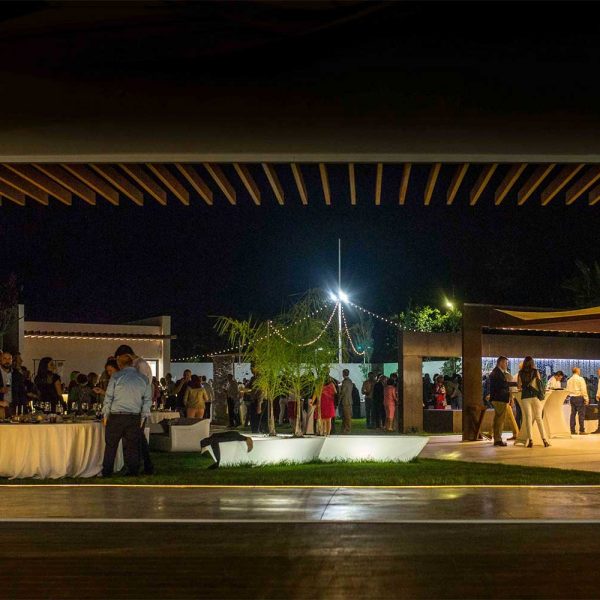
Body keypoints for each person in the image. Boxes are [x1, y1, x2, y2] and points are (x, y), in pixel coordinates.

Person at [101, 353, 152, 477]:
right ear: (132, 363)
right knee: (132, 446)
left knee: (111, 445)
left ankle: (107, 471)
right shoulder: (143, 378)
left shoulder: (116, 377)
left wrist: (105, 414)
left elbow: (109, 397)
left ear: (119, 364)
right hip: (134, 416)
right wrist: (143, 416)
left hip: (116, 415)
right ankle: (133, 471)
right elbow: (147, 400)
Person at [114, 345, 155, 475]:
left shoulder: (140, 365)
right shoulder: (137, 364)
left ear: (127, 355)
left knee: (134, 437)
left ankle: (135, 467)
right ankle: (146, 466)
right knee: (138, 437)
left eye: (120, 360)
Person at [517, 356, 550, 447]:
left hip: (525, 397)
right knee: (539, 418)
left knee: (528, 418)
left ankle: (530, 440)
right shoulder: (535, 371)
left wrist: (524, 386)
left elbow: (519, 386)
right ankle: (544, 440)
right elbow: (539, 383)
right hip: (535, 396)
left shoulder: (520, 373)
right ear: (532, 363)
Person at [488, 356, 517, 447]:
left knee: (498, 419)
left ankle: (497, 438)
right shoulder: (497, 373)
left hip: (498, 398)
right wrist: (516, 384)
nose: (506, 365)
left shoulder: (497, 372)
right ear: (500, 363)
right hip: (499, 399)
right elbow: (502, 385)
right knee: (500, 420)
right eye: (506, 363)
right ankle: (498, 439)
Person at [0, 351, 27, 416]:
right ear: (0, 360)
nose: (7, 361)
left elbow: (22, 392)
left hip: (14, 407)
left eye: (9, 359)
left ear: (12, 361)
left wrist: (23, 409)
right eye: (5, 358)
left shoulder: (17, 374)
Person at [566, 367, 589, 435]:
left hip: (572, 398)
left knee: (572, 414)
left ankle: (572, 430)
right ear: (577, 371)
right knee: (581, 414)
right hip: (579, 398)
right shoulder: (580, 379)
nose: (580, 371)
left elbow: (567, 390)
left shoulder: (569, 380)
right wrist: (586, 399)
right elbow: (583, 389)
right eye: (579, 370)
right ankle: (581, 430)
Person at [339, 369, 353, 434]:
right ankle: (345, 428)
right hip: (349, 400)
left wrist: (339, 398)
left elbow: (343, 392)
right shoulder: (350, 381)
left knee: (347, 416)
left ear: (343, 373)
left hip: (346, 401)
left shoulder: (345, 382)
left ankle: (347, 429)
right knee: (346, 416)